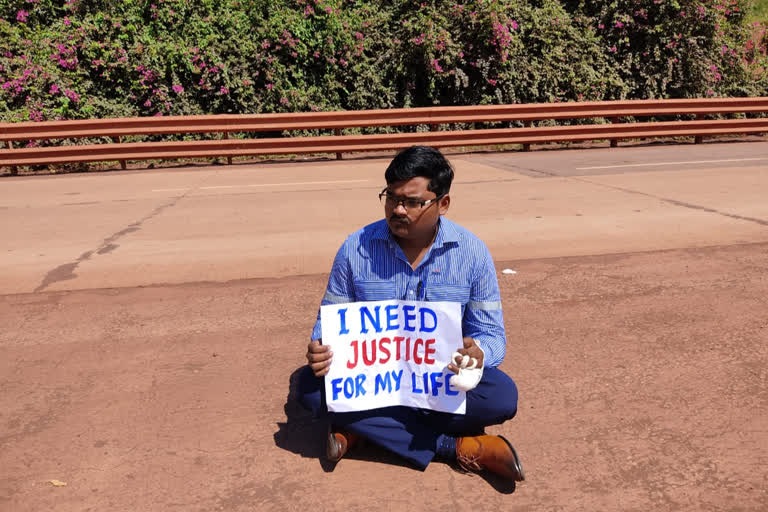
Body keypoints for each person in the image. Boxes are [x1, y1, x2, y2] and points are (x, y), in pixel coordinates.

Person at [298, 145, 524, 481]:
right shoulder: (355, 249)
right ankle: (455, 446)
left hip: (439, 380)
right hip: (376, 382)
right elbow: (328, 320)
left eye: (413, 202)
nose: (398, 209)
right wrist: (320, 347)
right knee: (307, 388)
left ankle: (363, 429)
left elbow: (493, 336)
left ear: (442, 204)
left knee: (502, 396)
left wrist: (478, 354)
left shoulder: (472, 253)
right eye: (391, 198)